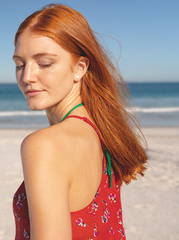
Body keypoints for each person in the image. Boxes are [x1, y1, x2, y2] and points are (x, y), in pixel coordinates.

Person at [12, 4, 148, 240]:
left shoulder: (45, 145)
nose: (27, 77)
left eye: (44, 63)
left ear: (79, 67)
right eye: (20, 64)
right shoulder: (104, 132)